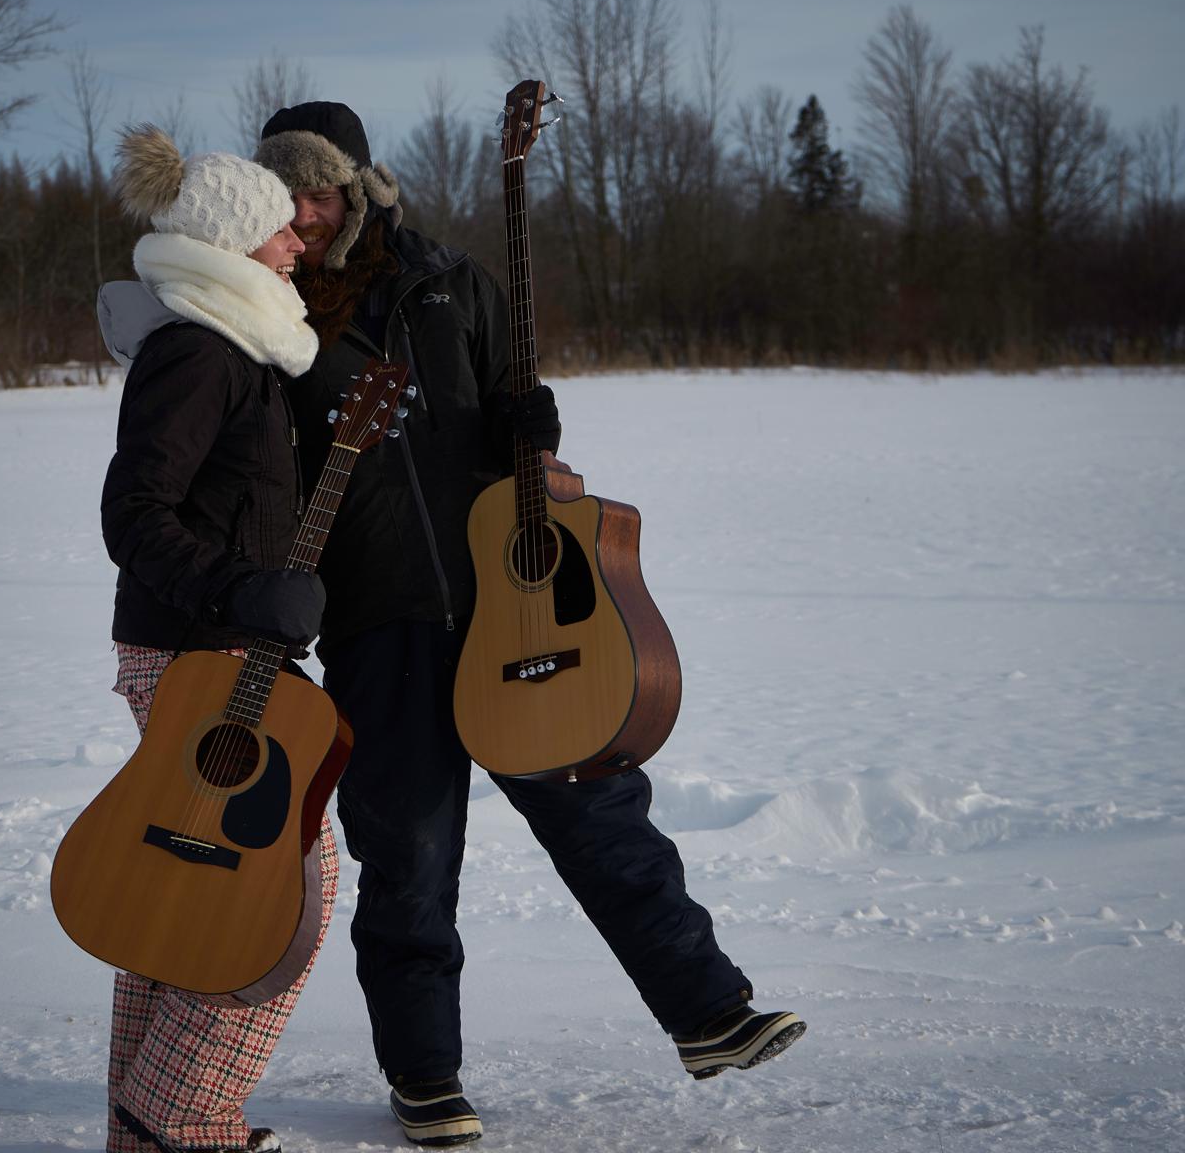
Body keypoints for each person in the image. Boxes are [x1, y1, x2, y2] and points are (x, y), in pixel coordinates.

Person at [254, 102, 806, 1148]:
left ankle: (708, 1014)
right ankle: (424, 1076)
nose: (304, 212)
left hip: (507, 610)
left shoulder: (452, 286)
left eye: (317, 188)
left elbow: (513, 416)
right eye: (283, 194)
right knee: (409, 855)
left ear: (361, 186)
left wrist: (531, 431)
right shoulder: (270, 315)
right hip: (378, 619)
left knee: (599, 812)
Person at [94, 123, 331, 1153]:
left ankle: (143, 1128)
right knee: (282, 892)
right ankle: (183, 1110)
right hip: (197, 652)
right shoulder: (197, 349)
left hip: (219, 646)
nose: (298, 248)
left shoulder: (241, 346)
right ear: (237, 244)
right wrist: (242, 590)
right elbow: (134, 512)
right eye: (281, 233)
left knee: (179, 886)